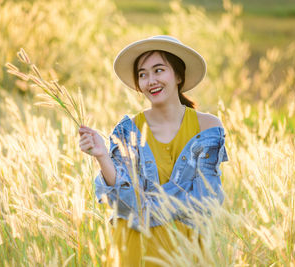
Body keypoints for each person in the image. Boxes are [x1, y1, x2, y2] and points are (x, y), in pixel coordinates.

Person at [79, 35, 228, 266]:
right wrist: (102, 157)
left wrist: (143, 206)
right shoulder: (127, 130)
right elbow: (122, 202)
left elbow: (206, 199)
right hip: (135, 251)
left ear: (178, 75)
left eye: (159, 70)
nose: (151, 81)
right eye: (143, 74)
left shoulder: (208, 127)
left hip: (186, 252)